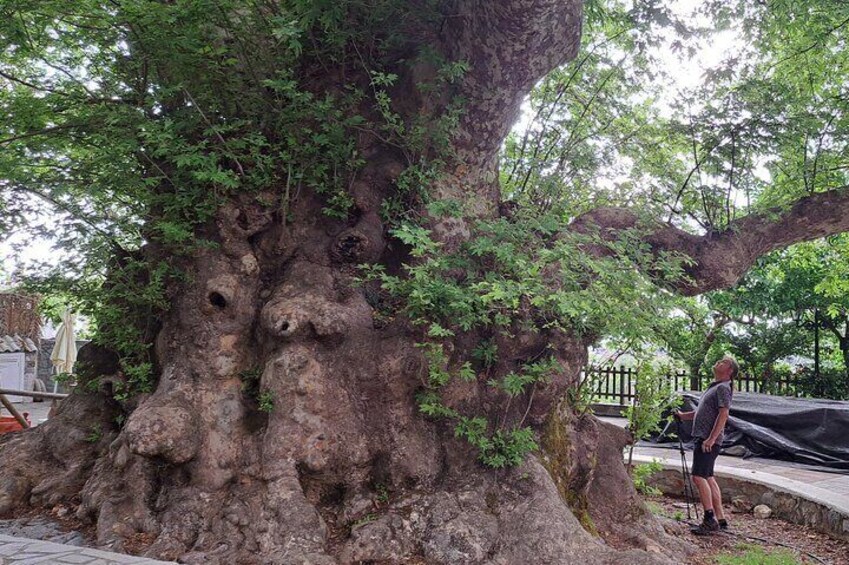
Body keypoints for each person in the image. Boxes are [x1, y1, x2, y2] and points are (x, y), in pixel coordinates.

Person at [675, 356, 738, 535]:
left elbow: (724, 414)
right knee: (708, 477)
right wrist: (682, 415)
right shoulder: (715, 387)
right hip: (705, 439)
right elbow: (700, 413)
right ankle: (720, 519)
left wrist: (711, 438)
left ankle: (709, 519)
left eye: (723, 362)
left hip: (707, 440)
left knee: (698, 477)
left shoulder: (724, 388)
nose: (719, 362)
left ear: (729, 370)